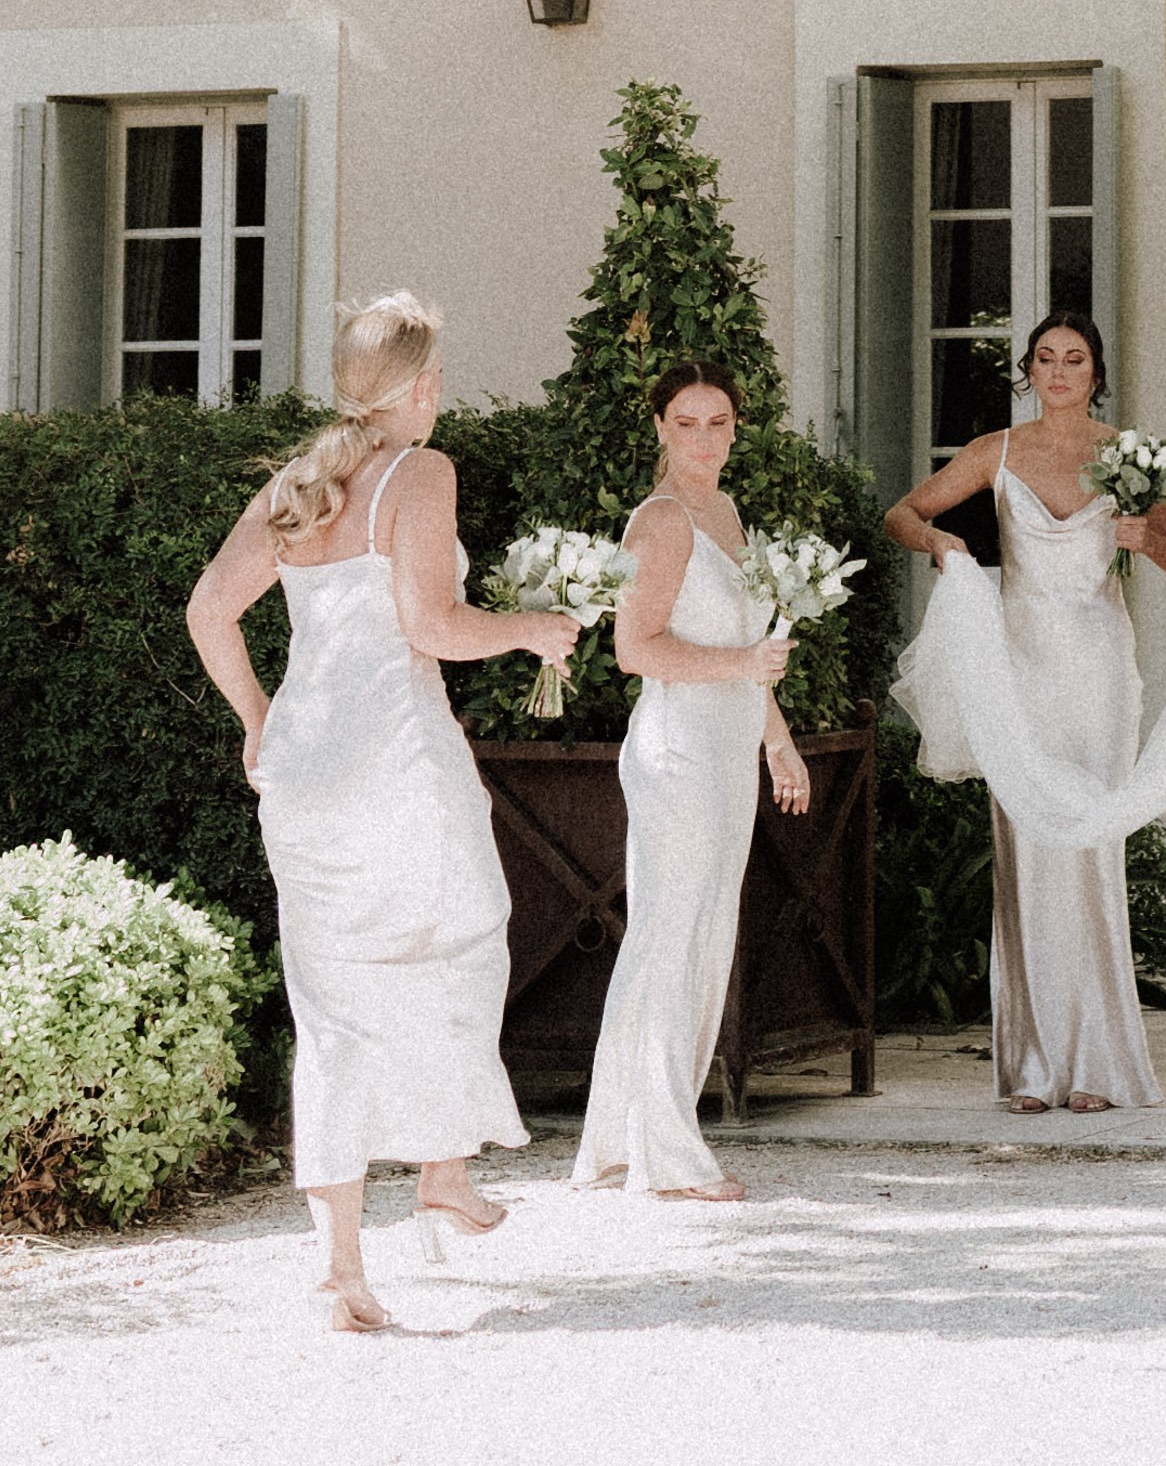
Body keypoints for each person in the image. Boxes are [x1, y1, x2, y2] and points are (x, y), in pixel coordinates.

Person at [189, 293, 592, 1330]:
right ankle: (443, 1170)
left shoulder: (298, 482)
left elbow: (206, 610)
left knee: (332, 1003)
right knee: (459, 941)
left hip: (306, 765)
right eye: (438, 377)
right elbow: (433, 622)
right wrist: (533, 629)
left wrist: (258, 720)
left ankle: (342, 1264)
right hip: (395, 757)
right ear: (415, 386)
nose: (441, 394)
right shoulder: (421, 470)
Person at [882, 311, 1166, 1112]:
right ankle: (1035, 1067)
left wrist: (1147, 539)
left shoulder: (1130, 453)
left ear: (1096, 371)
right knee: (1026, 853)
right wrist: (942, 544)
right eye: (1045, 358)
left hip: (1099, 672)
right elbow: (902, 512)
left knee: (1090, 851)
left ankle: (1097, 1064)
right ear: (1028, 370)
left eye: (1075, 358)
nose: (1059, 371)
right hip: (1021, 671)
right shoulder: (999, 450)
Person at [575, 362, 815, 1201]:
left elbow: (748, 644)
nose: (705, 438)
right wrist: (744, 665)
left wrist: (776, 739)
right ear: (660, 429)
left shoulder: (726, 511)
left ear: (736, 430)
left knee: (697, 935)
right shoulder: (665, 521)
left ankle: (619, 1136)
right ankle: (664, 1155)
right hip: (678, 751)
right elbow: (635, 649)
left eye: (719, 422)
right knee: (672, 937)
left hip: (726, 746)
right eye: (688, 422)